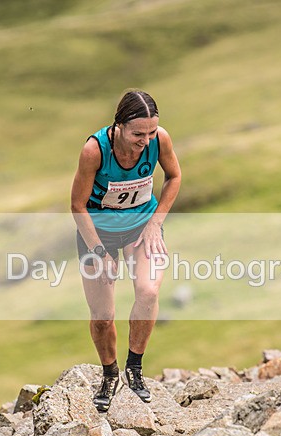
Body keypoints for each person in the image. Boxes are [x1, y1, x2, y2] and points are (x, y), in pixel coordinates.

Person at [70, 90, 182, 412]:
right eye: (137, 134)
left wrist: (155, 222)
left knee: (148, 292)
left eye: (150, 133)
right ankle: (110, 374)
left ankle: (135, 368)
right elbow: (77, 205)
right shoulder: (94, 150)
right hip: (97, 233)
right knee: (102, 317)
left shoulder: (160, 140)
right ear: (119, 125)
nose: (145, 141)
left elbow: (174, 177)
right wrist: (99, 251)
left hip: (141, 227)